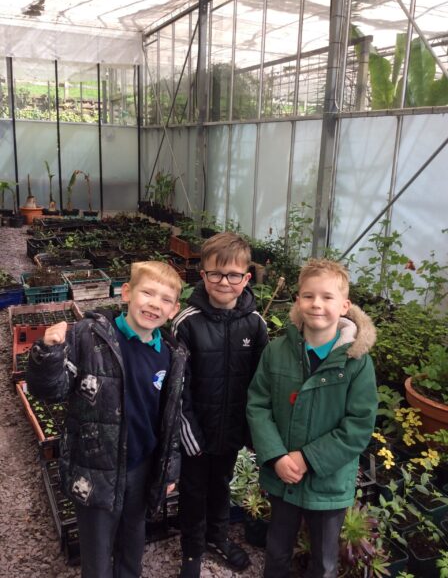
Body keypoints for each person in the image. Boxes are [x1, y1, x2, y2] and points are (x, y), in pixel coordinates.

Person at [27, 260, 187, 578]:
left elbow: (170, 419)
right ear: (126, 293)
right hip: (95, 468)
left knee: (133, 540)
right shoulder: (89, 337)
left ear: (174, 310)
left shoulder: (170, 354)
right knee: (98, 553)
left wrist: (169, 468)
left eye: (165, 299)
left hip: (141, 467)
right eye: (147, 293)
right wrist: (48, 353)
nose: (155, 304)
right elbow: (50, 391)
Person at [246, 258, 378, 578]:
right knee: (277, 549)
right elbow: (258, 405)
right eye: (308, 295)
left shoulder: (357, 363)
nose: (316, 304)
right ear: (298, 300)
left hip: (328, 482)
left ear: (345, 306)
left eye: (327, 297)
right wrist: (276, 456)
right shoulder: (277, 351)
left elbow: (358, 425)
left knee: (324, 560)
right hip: (283, 476)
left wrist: (307, 458)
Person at [172, 232, 269, 578]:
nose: (224, 282)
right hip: (196, 433)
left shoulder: (255, 324)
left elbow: (260, 383)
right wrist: (189, 435)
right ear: (202, 274)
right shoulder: (187, 323)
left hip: (230, 431)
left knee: (222, 484)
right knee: (193, 491)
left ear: (247, 278)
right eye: (215, 273)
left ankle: (218, 537)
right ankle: (191, 551)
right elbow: (177, 388)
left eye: (233, 275)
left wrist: (251, 432)